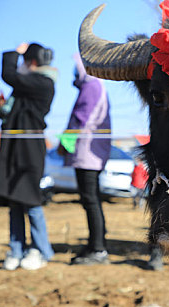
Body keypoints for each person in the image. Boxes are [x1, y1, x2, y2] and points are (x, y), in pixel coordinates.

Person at [0, 43, 57, 270]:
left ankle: (40, 249)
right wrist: (0, 108)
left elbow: (8, 74)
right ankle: (16, 249)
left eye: (24, 60)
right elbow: (10, 111)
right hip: (13, 149)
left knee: (30, 200)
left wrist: (14, 52)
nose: (22, 66)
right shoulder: (26, 86)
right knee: (13, 200)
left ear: (32, 62)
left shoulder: (43, 83)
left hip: (30, 150)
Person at [60, 54, 111, 265]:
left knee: (90, 200)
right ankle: (95, 244)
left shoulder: (91, 85)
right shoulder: (95, 85)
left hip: (87, 154)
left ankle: (98, 249)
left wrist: (65, 143)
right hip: (91, 154)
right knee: (92, 200)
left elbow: (80, 118)